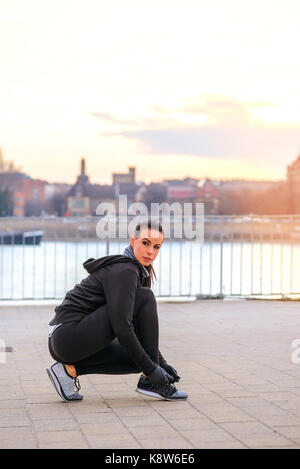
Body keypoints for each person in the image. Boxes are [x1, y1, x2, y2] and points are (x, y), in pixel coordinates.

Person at [47, 218, 187, 402]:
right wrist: (153, 370)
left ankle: (66, 372)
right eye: (145, 243)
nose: (150, 252)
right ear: (133, 241)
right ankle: (152, 382)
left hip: (66, 341)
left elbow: (140, 330)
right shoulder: (125, 270)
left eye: (156, 247)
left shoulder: (134, 270)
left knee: (139, 358)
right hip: (67, 335)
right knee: (146, 298)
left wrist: (160, 364)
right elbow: (123, 327)